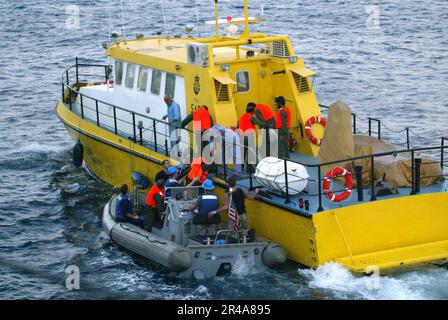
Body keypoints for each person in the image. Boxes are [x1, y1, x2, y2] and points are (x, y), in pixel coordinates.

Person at [238, 103, 257, 172]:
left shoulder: (241, 117)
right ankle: (250, 169)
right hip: (249, 137)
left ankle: (240, 168)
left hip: (242, 137)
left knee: (242, 153)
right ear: (252, 111)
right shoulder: (252, 117)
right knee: (250, 153)